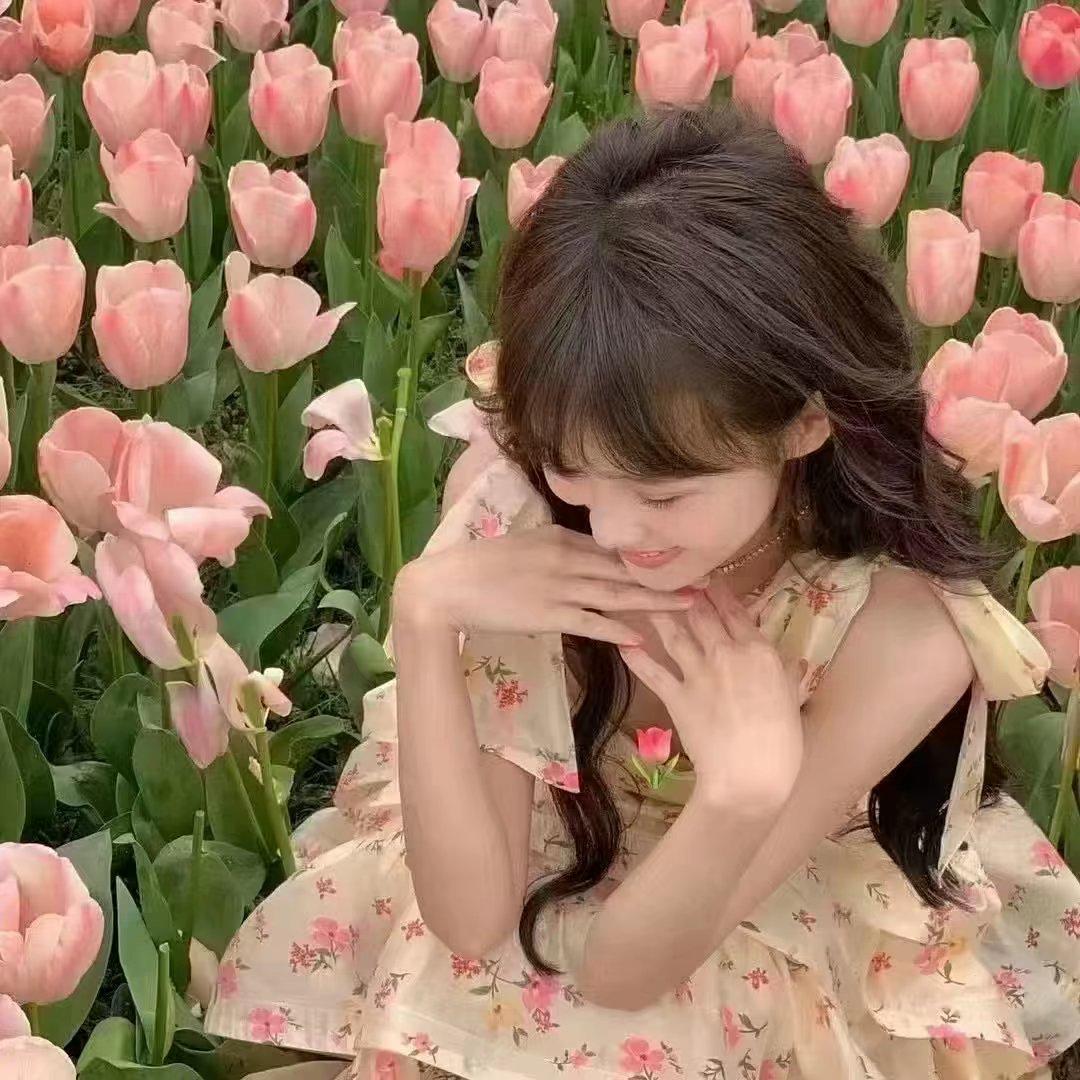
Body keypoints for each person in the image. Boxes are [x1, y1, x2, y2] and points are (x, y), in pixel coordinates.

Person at [204, 105, 1080, 1080]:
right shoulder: (525, 512)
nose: (615, 532)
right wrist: (422, 617)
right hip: (551, 846)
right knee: (464, 985)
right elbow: (470, 921)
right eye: (573, 467)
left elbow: (627, 975)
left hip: (755, 902)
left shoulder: (899, 630)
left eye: (665, 493)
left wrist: (743, 790)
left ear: (804, 425)